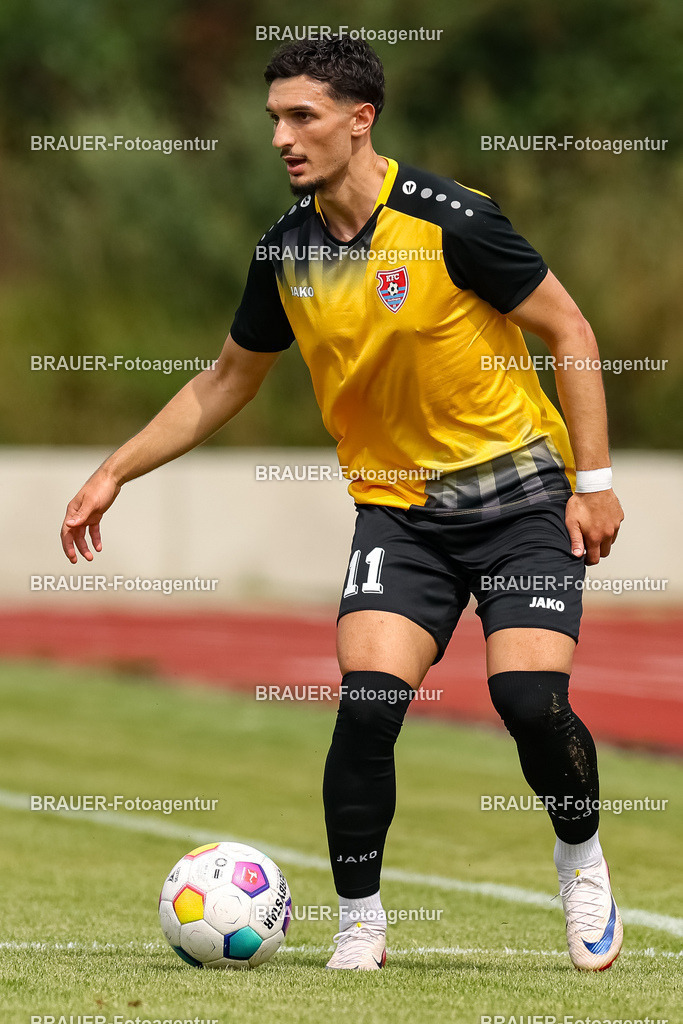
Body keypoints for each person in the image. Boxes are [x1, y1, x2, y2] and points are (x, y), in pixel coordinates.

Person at [60, 35, 625, 973]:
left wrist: (594, 484)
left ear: (360, 121)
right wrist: (115, 469)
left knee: (528, 700)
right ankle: (360, 922)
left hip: (521, 496)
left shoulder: (453, 222)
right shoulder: (282, 253)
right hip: (397, 516)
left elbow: (569, 327)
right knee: (366, 708)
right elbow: (225, 379)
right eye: (274, 119)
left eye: (302, 117)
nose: (281, 136)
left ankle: (579, 858)